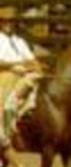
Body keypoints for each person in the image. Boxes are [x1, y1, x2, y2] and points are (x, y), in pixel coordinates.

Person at [0, 8, 43, 146]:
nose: (8, 24)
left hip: (26, 73)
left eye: (11, 21)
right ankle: (7, 127)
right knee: (6, 102)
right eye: (5, 21)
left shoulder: (19, 41)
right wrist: (19, 64)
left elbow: (31, 59)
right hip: (7, 73)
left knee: (44, 81)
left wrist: (36, 65)